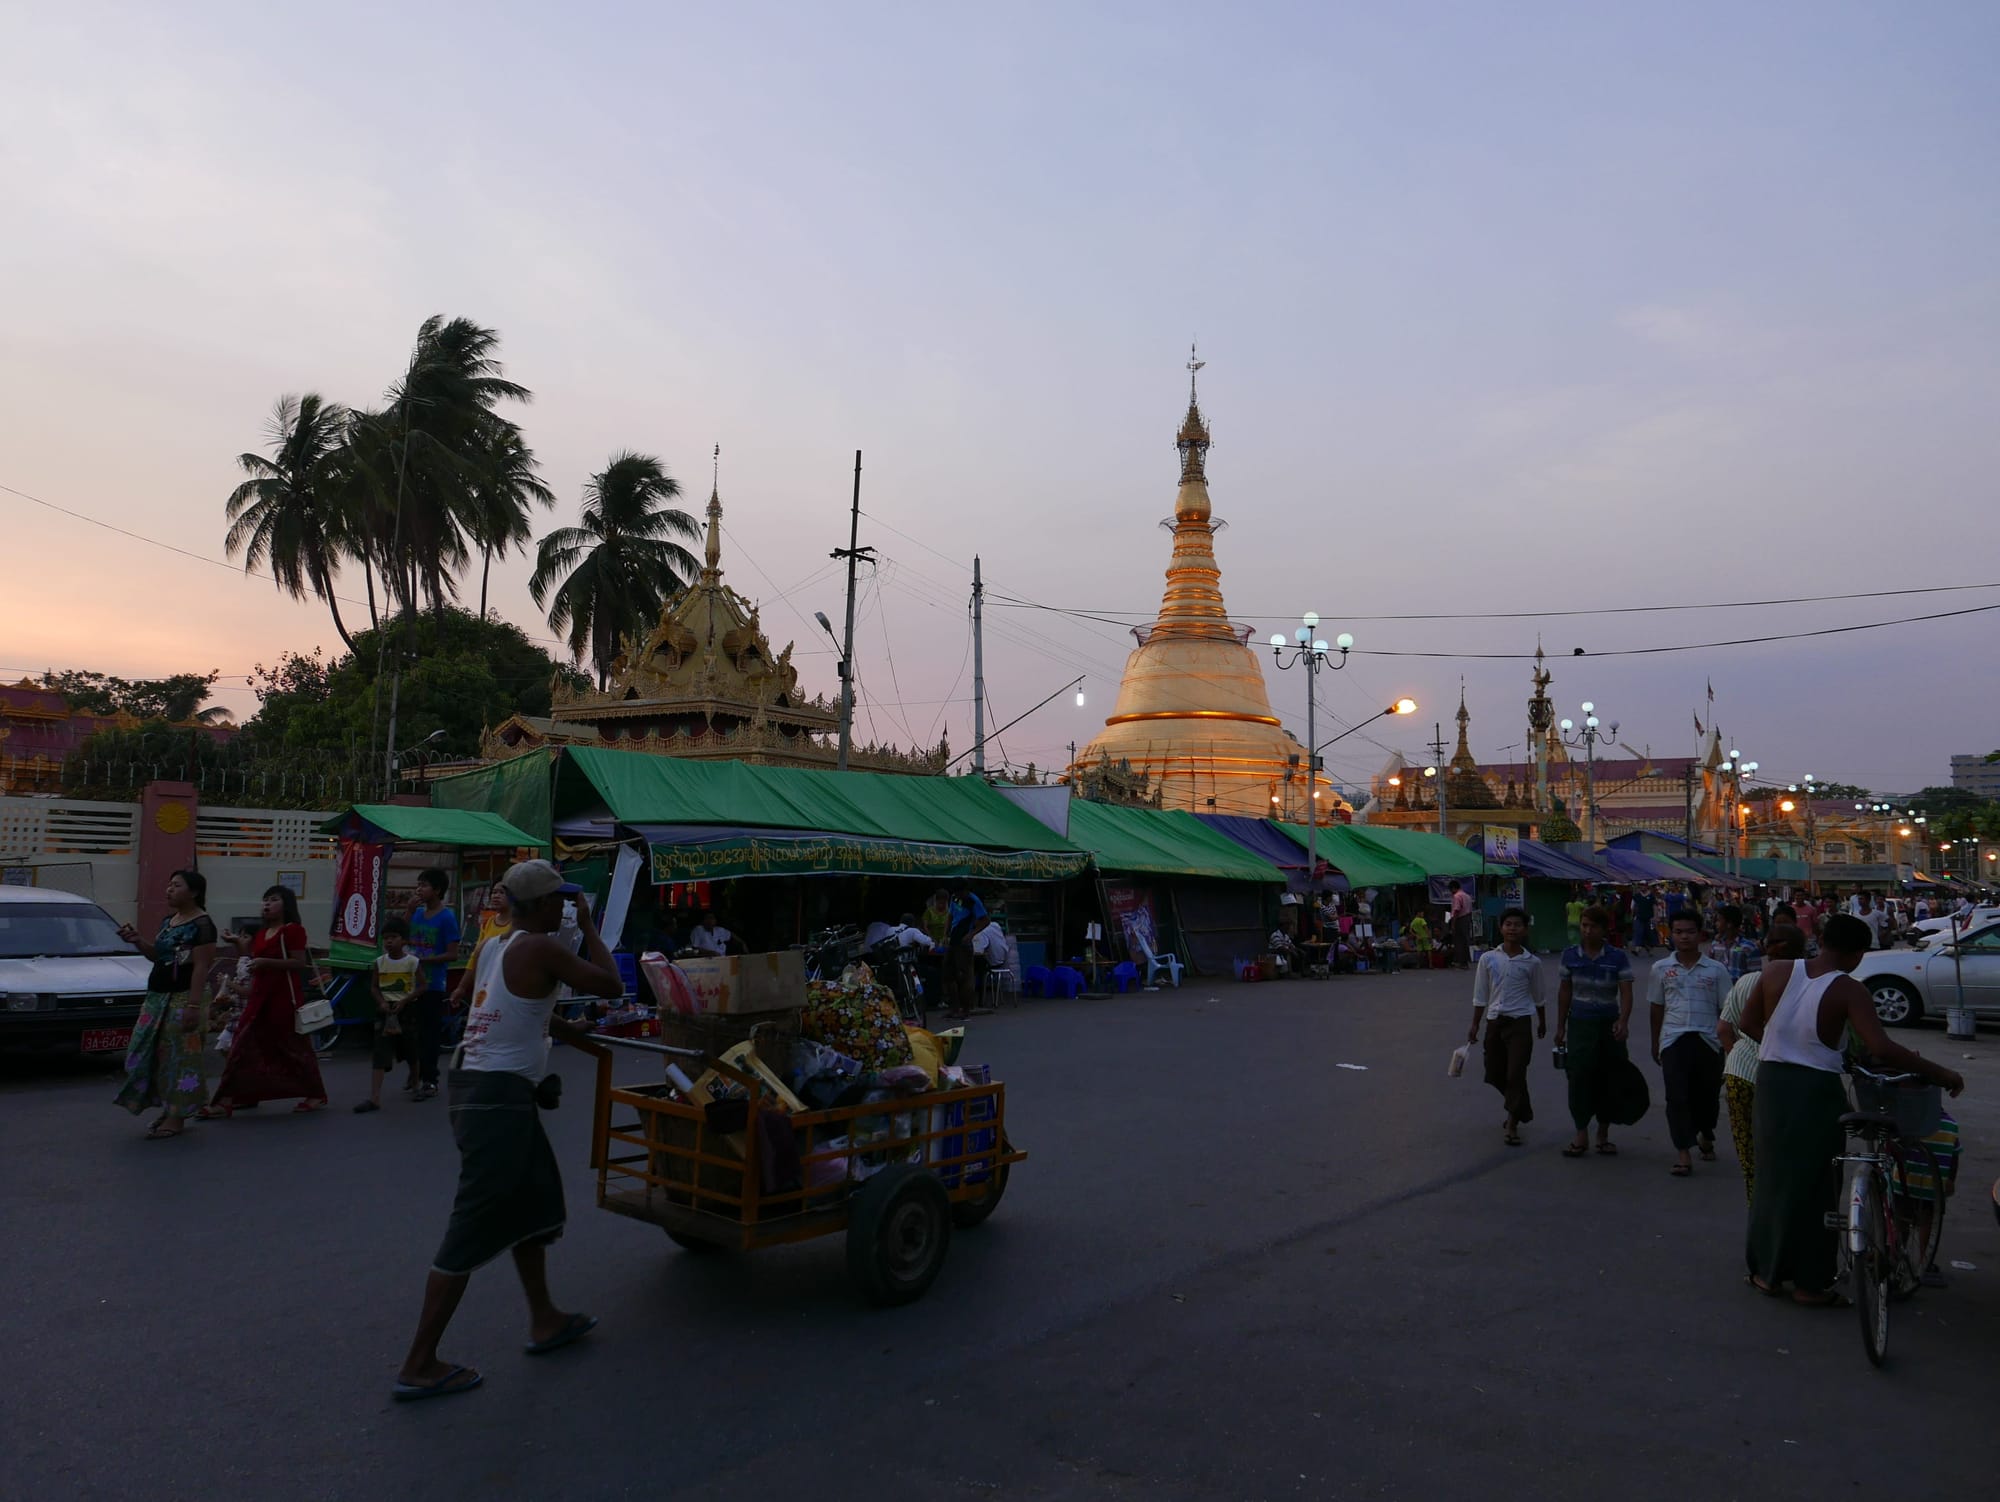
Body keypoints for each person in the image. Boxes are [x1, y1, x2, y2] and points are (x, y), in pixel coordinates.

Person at [393, 859, 621, 1403]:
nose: (566, 907)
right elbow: (610, 982)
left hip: (483, 1088)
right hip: (494, 1099)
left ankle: (544, 1317)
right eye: (562, 901)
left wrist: (566, 1033)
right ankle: (419, 1363)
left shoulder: (497, 945)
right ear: (544, 906)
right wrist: (590, 926)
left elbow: (511, 1009)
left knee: (534, 1200)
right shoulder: (542, 946)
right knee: (473, 1222)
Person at [1738, 913, 1964, 1304]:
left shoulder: (1776, 971)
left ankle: (1766, 1273)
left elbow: (1747, 1023)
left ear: (1822, 940)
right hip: (1814, 1091)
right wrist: (1941, 1072)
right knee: (1817, 1185)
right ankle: (1809, 1284)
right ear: (1858, 953)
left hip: (1773, 1083)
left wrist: (1785, 1048)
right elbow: (1880, 1047)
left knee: (1773, 1177)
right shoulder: (1848, 989)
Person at [203, 885, 327, 1116]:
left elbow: (299, 963)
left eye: (273, 899)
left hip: (282, 1001)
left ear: (286, 904)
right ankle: (228, 1099)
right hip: (258, 999)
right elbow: (251, 962)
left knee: (293, 1050)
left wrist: (267, 963)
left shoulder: (293, 931)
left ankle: (316, 1094)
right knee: (242, 1047)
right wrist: (238, 944)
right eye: (265, 900)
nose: (267, 904)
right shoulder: (261, 934)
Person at [113, 870, 220, 1140]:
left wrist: (194, 1007)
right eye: (168, 884)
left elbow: (201, 967)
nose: (168, 890)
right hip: (157, 997)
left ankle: (177, 1115)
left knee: (179, 1058)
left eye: (176, 885)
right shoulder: (168, 921)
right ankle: (168, 1107)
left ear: (194, 892)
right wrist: (138, 941)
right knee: (145, 1051)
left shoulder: (203, 925)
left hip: (184, 997)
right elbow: (159, 957)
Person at [1714, 923, 1806, 1202]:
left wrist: (1737, 1058)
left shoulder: (1748, 981)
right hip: (1789, 1079)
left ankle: (1760, 1211)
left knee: (1751, 1157)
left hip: (1741, 1076)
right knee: (1787, 1154)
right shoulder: (1808, 984)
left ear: (1765, 948)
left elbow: (1723, 1029)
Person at [1648, 911, 1732, 1177]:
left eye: (1690, 931)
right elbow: (1657, 1007)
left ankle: (1706, 1132)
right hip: (1673, 1039)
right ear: (1670, 935)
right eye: (1678, 931)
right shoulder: (1660, 969)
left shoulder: (1716, 970)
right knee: (1677, 1097)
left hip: (1708, 1041)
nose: (1684, 936)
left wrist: (1729, 1046)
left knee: (1706, 1097)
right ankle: (1683, 1153)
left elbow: (1726, 1010)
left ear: (1700, 934)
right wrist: (1656, 1042)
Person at [1555, 905, 1634, 1157]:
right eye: (1584, 925)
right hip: (1579, 1023)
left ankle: (1603, 1133)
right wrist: (1560, 1026)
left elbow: (1626, 991)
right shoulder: (1569, 956)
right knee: (1578, 1076)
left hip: (1608, 1023)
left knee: (1609, 1077)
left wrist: (1623, 1020)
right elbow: (1564, 991)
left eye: (1593, 926)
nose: (1587, 931)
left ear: (1604, 929)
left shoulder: (1617, 957)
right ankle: (1581, 1134)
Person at [1467, 909, 1544, 1146]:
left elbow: (1539, 995)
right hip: (1495, 1021)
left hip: (1520, 1021)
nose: (1512, 929)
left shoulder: (1532, 962)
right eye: (1508, 924)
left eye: (1517, 925)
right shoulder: (1488, 959)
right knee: (1494, 1071)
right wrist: (1475, 1024)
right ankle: (1522, 1107)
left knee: (1516, 1072)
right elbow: (1481, 994)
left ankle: (1512, 1122)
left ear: (1525, 929)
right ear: (1501, 928)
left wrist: (1543, 1021)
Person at [407, 869, 463, 1103]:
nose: (419, 889)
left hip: (433, 984)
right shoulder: (418, 914)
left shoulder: (447, 917)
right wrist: (409, 910)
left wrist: (424, 960)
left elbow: (452, 954)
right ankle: (416, 1075)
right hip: (411, 984)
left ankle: (430, 1080)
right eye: (418, 884)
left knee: (429, 1035)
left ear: (438, 890)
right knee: (412, 1033)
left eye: (425, 885)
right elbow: (403, 936)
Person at [357, 918, 420, 1114]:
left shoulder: (412, 962)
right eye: (386, 938)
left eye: (393, 937)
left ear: (404, 940)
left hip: (406, 1011)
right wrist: (382, 1002)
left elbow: (423, 985)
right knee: (380, 1053)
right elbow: (374, 987)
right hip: (385, 1012)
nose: (389, 942)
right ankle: (375, 1097)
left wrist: (406, 1000)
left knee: (410, 1050)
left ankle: (416, 1085)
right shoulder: (379, 962)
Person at [944, 886, 987, 1018]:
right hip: (953, 940)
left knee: (964, 976)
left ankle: (966, 1009)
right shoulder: (954, 898)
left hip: (964, 942)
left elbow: (985, 921)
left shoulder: (973, 901)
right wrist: (945, 934)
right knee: (948, 975)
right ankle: (954, 1008)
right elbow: (950, 915)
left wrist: (971, 934)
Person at [1706, 904, 1762, 981]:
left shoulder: (1748, 947)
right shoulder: (1715, 945)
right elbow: (1710, 968)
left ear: (1729, 924)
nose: (1716, 924)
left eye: (1719, 920)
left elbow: (1755, 977)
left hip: (1740, 990)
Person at [1447, 881, 1474, 968]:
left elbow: (1456, 910)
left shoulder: (1457, 896)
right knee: (1465, 940)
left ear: (1453, 888)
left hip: (1460, 919)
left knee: (1459, 941)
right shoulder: (1467, 896)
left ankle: (1461, 962)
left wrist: (1453, 924)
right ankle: (1465, 962)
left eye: (1451, 890)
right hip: (1467, 918)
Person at [1630, 886, 1657, 956]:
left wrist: (1655, 917)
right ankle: (1637, 949)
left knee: (1649, 934)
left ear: (1646, 886)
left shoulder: (1651, 896)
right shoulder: (1636, 896)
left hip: (1649, 918)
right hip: (1639, 918)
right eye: (1640, 885)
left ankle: (1650, 950)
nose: (1642, 887)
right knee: (1638, 932)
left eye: (1643, 885)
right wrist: (1632, 916)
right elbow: (1632, 907)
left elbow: (1655, 907)